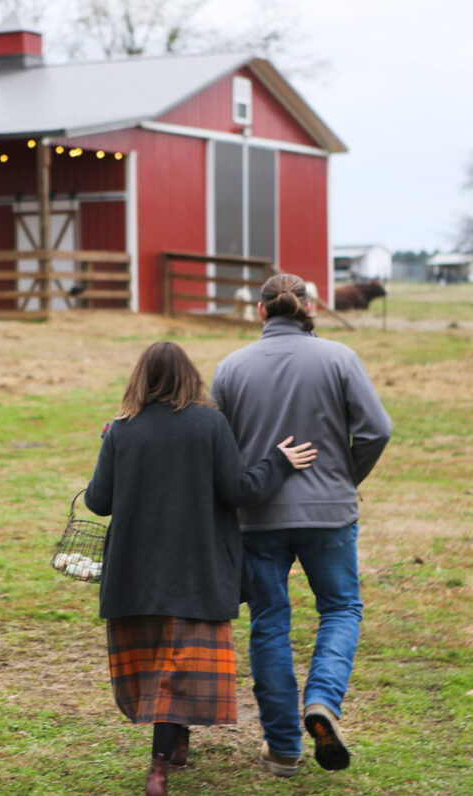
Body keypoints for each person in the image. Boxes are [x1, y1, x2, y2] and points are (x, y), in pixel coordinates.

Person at [84, 341, 317, 796]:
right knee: (180, 664)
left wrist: (109, 445)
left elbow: (97, 501)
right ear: (190, 378)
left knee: (160, 665)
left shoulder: (122, 429)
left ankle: (178, 745)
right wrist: (279, 462)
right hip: (196, 571)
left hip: (135, 574)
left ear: (139, 379)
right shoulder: (210, 423)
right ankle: (158, 768)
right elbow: (239, 489)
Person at [211, 273, 392, 778]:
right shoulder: (340, 358)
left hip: (257, 518)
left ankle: (284, 748)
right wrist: (343, 476)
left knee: (270, 622)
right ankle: (322, 702)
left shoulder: (230, 367)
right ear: (309, 307)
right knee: (340, 609)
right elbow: (378, 428)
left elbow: (216, 447)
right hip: (329, 513)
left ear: (261, 312)